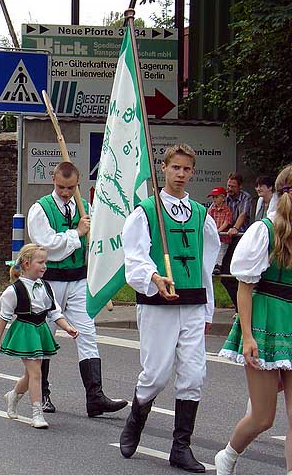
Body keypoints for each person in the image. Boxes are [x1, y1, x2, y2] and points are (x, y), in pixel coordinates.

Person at [120, 144, 220, 472]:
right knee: (156, 374)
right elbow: (133, 256)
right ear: (164, 168)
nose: (180, 174)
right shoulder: (146, 211)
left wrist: (207, 309)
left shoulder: (202, 216)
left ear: (192, 172)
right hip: (158, 303)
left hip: (192, 302)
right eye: (175, 167)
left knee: (194, 374)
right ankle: (135, 420)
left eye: (186, 169)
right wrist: (152, 275)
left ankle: (181, 446)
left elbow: (207, 265)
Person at [27, 161, 127, 416]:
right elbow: (46, 247)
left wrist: (92, 240)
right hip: (49, 282)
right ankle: (43, 393)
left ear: (77, 184)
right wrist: (77, 233)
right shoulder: (41, 209)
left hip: (79, 280)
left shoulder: (85, 208)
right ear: (53, 179)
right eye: (61, 187)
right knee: (44, 336)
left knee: (87, 333)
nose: (65, 192)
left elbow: (95, 242)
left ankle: (95, 397)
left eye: (70, 188)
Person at [215, 165, 292, 474]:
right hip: (267, 320)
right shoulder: (265, 229)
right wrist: (247, 336)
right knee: (263, 418)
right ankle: (228, 456)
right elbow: (245, 287)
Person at [0, 243, 78, 429]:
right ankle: (37, 413)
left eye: (46, 262)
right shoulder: (13, 291)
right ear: (27, 264)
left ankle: (13, 395)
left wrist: (67, 327)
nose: (45, 266)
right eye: (41, 262)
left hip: (40, 330)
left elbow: (54, 312)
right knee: (36, 372)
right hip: (25, 332)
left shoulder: (46, 286)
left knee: (31, 374)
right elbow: (4, 317)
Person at [221, 172, 253, 311]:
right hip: (226, 237)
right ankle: (239, 307)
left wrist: (235, 228)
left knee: (235, 274)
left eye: (233, 186)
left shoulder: (245, 197)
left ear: (240, 186)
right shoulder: (225, 198)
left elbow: (243, 214)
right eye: (228, 185)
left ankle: (242, 308)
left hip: (240, 237)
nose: (229, 189)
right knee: (225, 276)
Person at [207, 186, 233, 275]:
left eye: (216, 197)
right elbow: (208, 219)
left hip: (223, 237)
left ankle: (218, 265)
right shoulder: (212, 209)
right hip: (214, 235)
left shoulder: (226, 210)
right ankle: (212, 265)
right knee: (213, 249)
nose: (214, 199)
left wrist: (219, 230)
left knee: (221, 251)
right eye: (213, 197)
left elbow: (227, 222)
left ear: (223, 198)